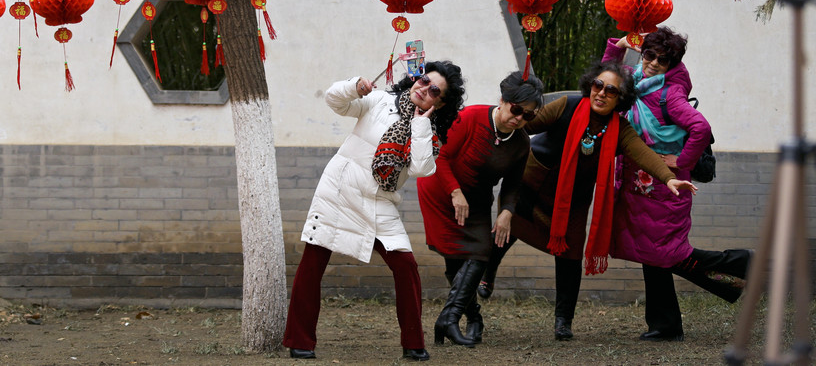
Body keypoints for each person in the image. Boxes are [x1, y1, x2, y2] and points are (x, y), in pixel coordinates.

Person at [476, 61, 697, 342]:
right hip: (533, 183)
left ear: (621, 99)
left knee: (569, 255)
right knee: (507, 230)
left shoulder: (621, 130)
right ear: (590, 85)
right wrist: (497, 124)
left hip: (573, 200)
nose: (602, 93)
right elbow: (528, 121)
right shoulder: (566, 105)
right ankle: (488, 272)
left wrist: (668, 179)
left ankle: (562, 322)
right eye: (598, 85)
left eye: (611, 90)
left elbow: (642, 153)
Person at [282, 61, 466, 361]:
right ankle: (299, 340)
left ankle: (413, 343)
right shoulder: (381, 100)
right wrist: (354, 86)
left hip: (381, 203)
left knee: (406, 266)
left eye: (434, 90)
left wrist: (419, 123)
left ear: (441, 103)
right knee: (312, 263)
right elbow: (334, 101)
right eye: (422, 80)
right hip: (340, 191)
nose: (423, 89)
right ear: (414, 80)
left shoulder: (429, 134)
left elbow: (421, 168)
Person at [604, 28, 752, 342]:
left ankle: (739, 264)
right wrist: (618, 46)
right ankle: (666, 324)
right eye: (649, 55)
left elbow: (700, 127)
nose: (655, 63)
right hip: (643, 185)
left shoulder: (668, 92)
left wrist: (680, 162)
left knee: (666, 254)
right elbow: (608, 78)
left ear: (673, 64)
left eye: (663, 60)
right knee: (652, 255)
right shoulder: (636, 81)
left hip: (665, 188)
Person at [417, 71, 545, 347]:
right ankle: (469, 317)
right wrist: (454, 192)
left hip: (475, 200)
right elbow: (441, 157)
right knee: (456, 259)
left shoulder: (521, 143)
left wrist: (507, 211)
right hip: (440, 191)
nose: (520, 118)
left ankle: (451, 319)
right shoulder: (470, 117)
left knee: (479, 253)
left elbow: (513, 183)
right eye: (517, 109)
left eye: (528, 116)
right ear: (503, 100)